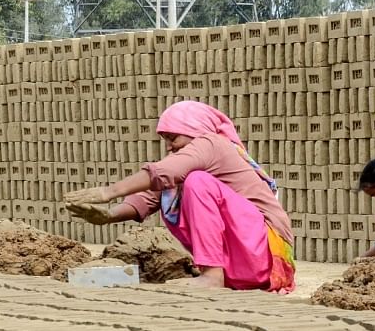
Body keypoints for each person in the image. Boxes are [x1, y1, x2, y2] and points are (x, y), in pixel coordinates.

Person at [62, 100, 296, 293]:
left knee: (198, 182)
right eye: (165, 140)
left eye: (174, 138)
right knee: (184, 184)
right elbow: (146, 199)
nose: (169, 147)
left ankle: (212, 276)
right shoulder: (185, 166)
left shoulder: (213, 144)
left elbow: (164, 172)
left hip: (266, 256)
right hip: (243, 269)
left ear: (196, 130)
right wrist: (108, 215)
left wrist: (108, 192)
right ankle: (216, 274)